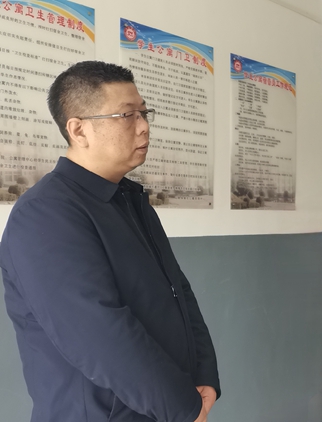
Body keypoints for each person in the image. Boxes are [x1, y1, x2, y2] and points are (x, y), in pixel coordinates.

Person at [0, 61, 220, 422]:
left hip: (160, 406)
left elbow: (178, 291)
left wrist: (203, 375)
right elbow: (97, 334)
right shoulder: (46, 213)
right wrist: (181, 407)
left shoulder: (127, 198)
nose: (144, 126)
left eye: (144, 113)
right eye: (127, 115)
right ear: (79, 130)